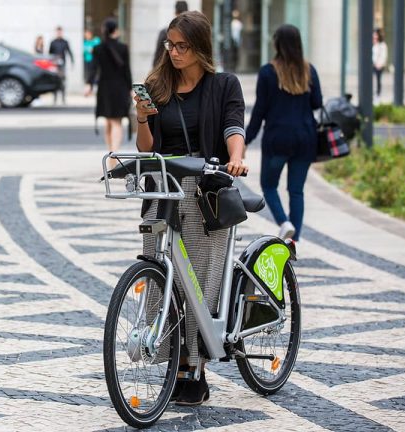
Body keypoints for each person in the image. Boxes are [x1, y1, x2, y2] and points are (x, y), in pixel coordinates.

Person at [135, 10, 247, 406]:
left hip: (203, 192)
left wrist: (236, 158)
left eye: (182, 45)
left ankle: (194, 367)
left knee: (197, 283)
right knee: (160, 276)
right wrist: (142, 119)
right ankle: (171, 359)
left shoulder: (224, 85)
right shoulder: (157, 84)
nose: (174, 51)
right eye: (170, 44)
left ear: (200, 47)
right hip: (163, 189)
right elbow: (146, 148)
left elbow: (234, 126)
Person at [245, 24, 322, 243]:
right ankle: (293, 240)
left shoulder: (268, 72)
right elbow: (317, 103)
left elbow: (259, 111)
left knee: (269, 185)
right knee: (296, 191)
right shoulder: (309, 70)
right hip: (306, 139)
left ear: (277, 43)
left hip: (278, 139)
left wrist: (246, 139)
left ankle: (284, 222)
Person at [86, 18, 132, 168]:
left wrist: (89, 85)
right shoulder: (123, 48)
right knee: (116, 121)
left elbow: (93, 69)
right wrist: (131, 89)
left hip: (104, 88)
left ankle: (111, 151)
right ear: (116, 31)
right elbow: (127, 71)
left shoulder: (98, 48)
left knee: (108, 121)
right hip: (120, 88)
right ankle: (114, 153)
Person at [153, 1, 188, 67]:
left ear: (175, 13)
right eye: (170, 45)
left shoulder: (164, 32)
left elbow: (157, 58)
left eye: (182, 46)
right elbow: (157, 58)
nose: (174, 53)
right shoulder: (165, 32)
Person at [49, 26, 74, 105]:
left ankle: (63, 98)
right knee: (55, 81)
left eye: (60, 32)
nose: (59, 33)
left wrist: (72, 61)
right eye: (58, 32)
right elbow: (49, 54)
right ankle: (55, 99)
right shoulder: (53, 42)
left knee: (62, 81)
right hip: (55, 65)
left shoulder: (65, 42)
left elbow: (69, 52)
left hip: (62, 64)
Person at [372, 28, 388, 104]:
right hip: (372, 64)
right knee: (372, 79)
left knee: (378, 80)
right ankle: (372, 92)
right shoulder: (373, 44)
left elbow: (383, 56)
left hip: (379, 65)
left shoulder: (382, 45)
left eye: (375, 34)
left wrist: (380, 64)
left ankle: (378, 94)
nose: (374, 36)